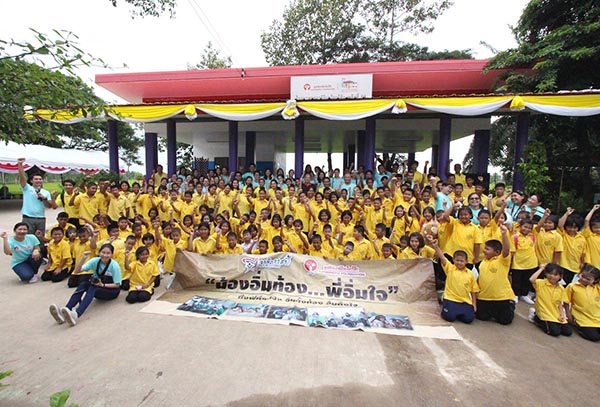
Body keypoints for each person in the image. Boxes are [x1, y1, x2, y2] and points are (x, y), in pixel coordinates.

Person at [49, 244, 121, 327]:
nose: (105, 255)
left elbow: (117, 285)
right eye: (103, 252)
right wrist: (83, 258)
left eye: (108, 253)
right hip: (98, 286)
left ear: (112, 254)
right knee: (83, 284)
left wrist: (102, 285)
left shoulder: (114, 266)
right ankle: (66, 310)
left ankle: (77, 314)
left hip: (112, 291)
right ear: (99, 252)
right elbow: (77, 271)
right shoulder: (95, 261)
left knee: (93, 287)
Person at [429, 237, 479, 324]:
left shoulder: (470, 273)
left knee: (469, 319)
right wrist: (436, 246)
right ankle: (448, 306)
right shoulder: (450, 268)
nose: (459, 263)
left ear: (466, 262)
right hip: (450, 299)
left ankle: (460, 312)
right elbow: (442, 257)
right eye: (457, 260)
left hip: (464, 301)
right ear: (453, 260)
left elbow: (473, 291)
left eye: (462, 261)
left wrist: (474, 304)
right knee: (449, 317)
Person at [475, 226, 516, 325]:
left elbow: (506, 250)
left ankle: (511, 304)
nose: (484, 251)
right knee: (480, 317)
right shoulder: (482, 263)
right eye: (485, 248)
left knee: (505, 321)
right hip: (484, 297)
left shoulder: (502, 260)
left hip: (501, 297)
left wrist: (504, 234)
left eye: (488, 249)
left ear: (497, 252)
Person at [528, 263, 572, 337]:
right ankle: (536, 317)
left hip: (555, 313)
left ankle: (551, 323)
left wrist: (562, 315)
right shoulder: (541, 283)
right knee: (555, 332)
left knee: (568, 332)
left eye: (555, 275)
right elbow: (532, 279)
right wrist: (541, 269)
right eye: (550, 273)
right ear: (546, 273)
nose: (552, 276)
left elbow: (560, 303)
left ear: (560, 276)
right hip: (544, 313)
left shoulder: (561, 288)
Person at [17, 157, 56, 235]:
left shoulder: (46, 192)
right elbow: (22, 177)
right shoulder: (27, 188)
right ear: (31, 181)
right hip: (28, 218)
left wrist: (44, 198)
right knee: (28, 237)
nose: (38, 181)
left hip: (40, 218)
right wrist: (20, 164)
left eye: (40, 179)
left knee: (40, 238)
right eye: (36, 179)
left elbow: (49, 206)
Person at [566, 265, 600, 342]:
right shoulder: (572, 286)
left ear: (595, 280)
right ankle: (579, 328)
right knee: (594, 337)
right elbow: (566, 302)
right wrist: (568, 314)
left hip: (597, 318)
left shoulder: (596, 288)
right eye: (582, 276)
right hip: (583, 319)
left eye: (588, 279)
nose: (584, 279)